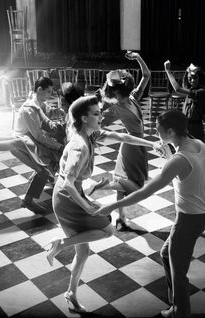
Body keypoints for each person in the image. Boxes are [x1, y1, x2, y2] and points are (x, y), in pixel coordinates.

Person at [44, 95, 160, 314]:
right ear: (84, 118)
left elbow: (123, 137)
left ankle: (71, 293)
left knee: (84, 251)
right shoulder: (80, 146)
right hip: (66, 198)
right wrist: (87, 206)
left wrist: (152, 143)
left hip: (71, 194)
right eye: (96, 114)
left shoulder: (90, 134)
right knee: (106, 229)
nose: (101, 116)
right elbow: (68, 183)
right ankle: (60, 243)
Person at [95, 109, 205, 318]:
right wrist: (170, 155)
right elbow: (188, 171)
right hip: (198, 215)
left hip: (188, 220)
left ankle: (180, 312)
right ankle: (176, 306)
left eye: (158, 128)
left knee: (178, 273)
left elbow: (144, 192)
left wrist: (109, 207)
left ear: (170, 131)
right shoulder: (199, 144)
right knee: (166, 255)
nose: (155, 131)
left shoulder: (179, 159)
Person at [0, 77, 65, 213]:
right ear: (39, 90)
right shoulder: (29, 109)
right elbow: (38, 135)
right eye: (48, 92)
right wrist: (58, 146)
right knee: (44, 170)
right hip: (24, 143)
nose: (50, 95)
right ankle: (28, 200)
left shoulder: (37, 103)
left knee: (49, 161)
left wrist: (55, 122)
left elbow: (45, 116)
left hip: (26, 141)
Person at [87, 51, 151, 232]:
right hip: (131, 146)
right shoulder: (116, 108)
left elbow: (146, 75)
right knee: (136, 186)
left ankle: (120, 218)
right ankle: (102, 186)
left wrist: (138, 57)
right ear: (116, 91)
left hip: (136, 146)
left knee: (123, 186)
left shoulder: (133, 98)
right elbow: (98, 123)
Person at [164, 60, 205, 142]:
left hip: (196, 128)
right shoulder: (191, 89)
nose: (192, 81)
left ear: (200, 77)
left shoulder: (201, 91)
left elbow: (177, 89)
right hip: (186, 127)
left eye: (195, 78)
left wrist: (168, 71)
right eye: (190, 78)